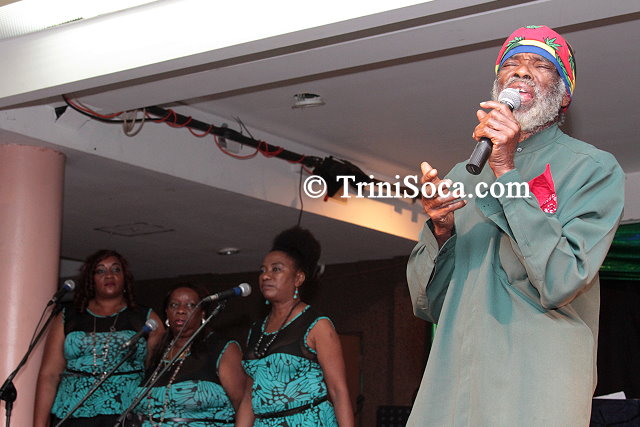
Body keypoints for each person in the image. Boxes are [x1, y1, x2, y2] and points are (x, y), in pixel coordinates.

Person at [406, 25, 625, 426]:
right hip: (456, 383)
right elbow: (428, 305)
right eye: (512, 64)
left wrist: (507, 172)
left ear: (564, 94)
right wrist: (442, 230)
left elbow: (561, 280)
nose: (522, 71)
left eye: (540, 65)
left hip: (536, 383)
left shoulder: (592, 168)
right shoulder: (462, 174)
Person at [236, 227, 354, 427]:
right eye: (263, 270)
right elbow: (249, 395)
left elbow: (338, 391)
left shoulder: (317, 325)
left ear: (298, 278)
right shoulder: (256, 330)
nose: (266, 276)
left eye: (276, 269)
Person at [34, 249, 164, 427]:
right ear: (91, 280)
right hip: (72, 414)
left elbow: (154, 371)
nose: (109, 275)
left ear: (125, 277)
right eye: (100, 271)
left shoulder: (146, 317)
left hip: (125, 415)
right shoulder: (67, 316)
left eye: (116, 269)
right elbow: (49, 375)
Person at [132, 284, 246, 426]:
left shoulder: (222, 348)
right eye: (174, 305)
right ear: (166, 312)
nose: (181, 310)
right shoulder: (158, 352)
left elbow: (243, 404)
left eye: (191, 305)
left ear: (202, 313)